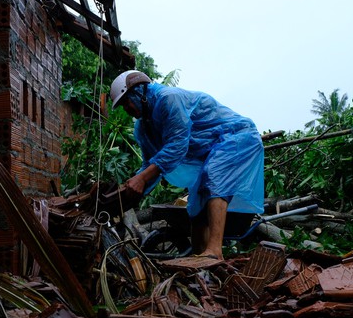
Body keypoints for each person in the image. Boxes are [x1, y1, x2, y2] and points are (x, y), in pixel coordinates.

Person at [110, 70, 264, 260]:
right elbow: (149, 167)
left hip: (237, 136)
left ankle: (214, 251)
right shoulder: (143, 129)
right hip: (212, 151)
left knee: (214, 175)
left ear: (139, 92)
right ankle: (200, 260)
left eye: (127, 102)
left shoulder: (169, 100)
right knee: (196, 204)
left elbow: (177, 146)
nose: (128, 109)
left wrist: (141, 178)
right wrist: (127, 192)